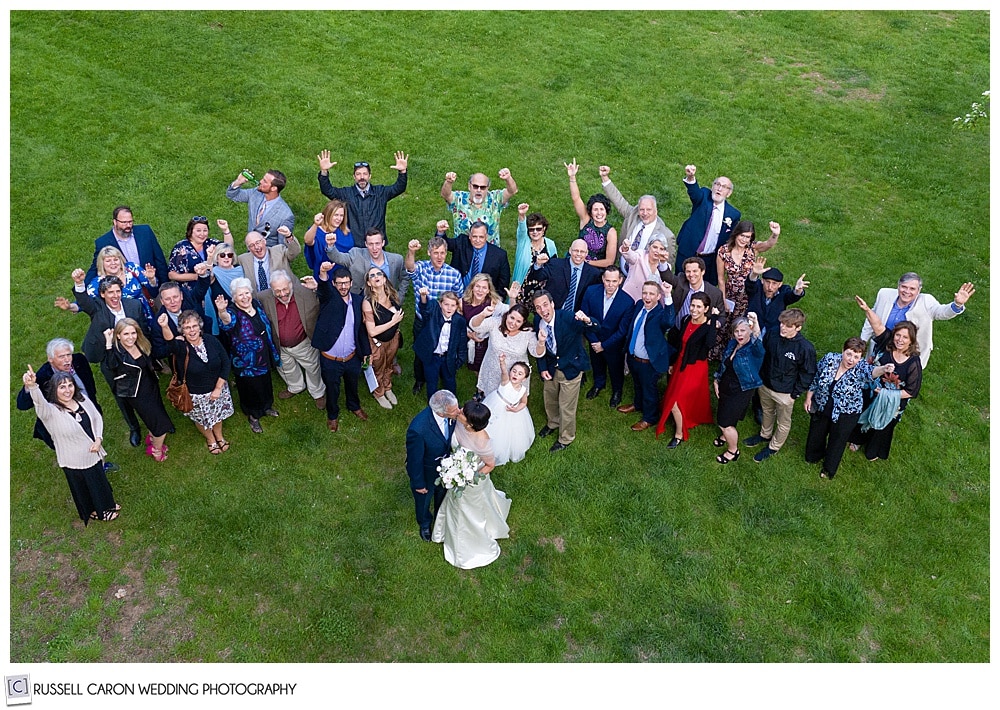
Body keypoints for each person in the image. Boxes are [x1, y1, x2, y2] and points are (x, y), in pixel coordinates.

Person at [21, 366, 119, 524]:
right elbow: (39, 403)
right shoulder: (50, 412)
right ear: (54, 390)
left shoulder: (82, 400)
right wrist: (33, 386)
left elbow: (96, 418)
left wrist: (99, 439)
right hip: (74, 460)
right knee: (87, 488)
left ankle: (107, 505)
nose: (67, 390)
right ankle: (99, 512)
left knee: (100, 482)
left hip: (93, 453)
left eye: (70, 385)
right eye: (62, 387)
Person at [71, 269, 149, 447]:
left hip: (133, 352)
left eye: (118, 291)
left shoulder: (133, 305)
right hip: (109, 355)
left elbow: (143, 329)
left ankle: (155, 420)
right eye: (110, 292)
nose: (115, 296)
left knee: (145, 386)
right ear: (102, 294)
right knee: (121, 393)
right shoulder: (97, 307)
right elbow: (83, 300)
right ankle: (134, 427)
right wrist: (79, 283)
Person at [15, 338, 115, 475]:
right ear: (50, 359)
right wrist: (29, 386)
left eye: (68, 355)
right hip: (64, 424)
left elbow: (89, 384)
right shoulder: (43, 376)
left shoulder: (79, 360)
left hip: (87, 411)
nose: (67, 360)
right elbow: (22, 405)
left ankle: (101, 464)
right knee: (80, 452)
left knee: (94, 439)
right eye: (61, 356)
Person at [431, 400, 511, 569]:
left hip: (472, 481)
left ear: (470, 425)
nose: (459, 411)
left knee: (467, 511)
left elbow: (490, 465)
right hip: (457, 470)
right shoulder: (461, 422)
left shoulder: (483, 443)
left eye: (462, 413)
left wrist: (467, 478)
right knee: (454, 504)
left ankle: (468, 547)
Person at [803, 337, 894, 480]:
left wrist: (883, 369)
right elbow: (816, 377)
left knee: (837, 441)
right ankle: (813, 455)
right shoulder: (830, 359)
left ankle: (828, 469)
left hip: (846, 413)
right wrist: (809, 397)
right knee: (816, 433)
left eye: (856, 356)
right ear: (842, 351)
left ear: (861, 358)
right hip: (822, 404)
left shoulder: (861, 368)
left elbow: (871, 372)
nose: (851, 359)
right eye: (849, 354)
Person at [850, 298, 923, 461]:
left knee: (883, 426)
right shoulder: (887, 344)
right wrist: (867, 309)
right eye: (898, 335)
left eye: (905, 337)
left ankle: (873, 450)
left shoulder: (913, 363)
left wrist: (884, 393)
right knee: (863, 416)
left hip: (892, 403)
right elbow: (878, 326)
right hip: (870, 393)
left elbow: (912, 391)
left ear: (911, 340)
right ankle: (857, 439)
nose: (900, 340)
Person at [744, 308, 817, 463]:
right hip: (765, 384)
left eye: (788, 325)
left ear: (798, 328)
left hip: (785, 393)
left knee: (783, 422)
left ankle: (774, 446)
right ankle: (765, 435)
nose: (783, 327)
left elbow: (808, 373)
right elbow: (761, 350)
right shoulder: (772, 334)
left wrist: (794, 394)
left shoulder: (805, 348)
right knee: (767, 412)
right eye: (782, 323)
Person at [859, 273, 975, 369]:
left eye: (912, 289)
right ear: (898, 286)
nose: (907, 291)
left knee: (895, 383)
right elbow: (871, 318)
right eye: (904, 287)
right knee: (871, 377)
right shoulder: (884, 294)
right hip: (881, 346)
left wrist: (957, 304)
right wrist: (862, 342)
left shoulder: (926, 301)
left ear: (919, 290)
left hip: (906, 353)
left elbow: (941, 312)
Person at [157, 310, 234, 454]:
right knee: (202, 420)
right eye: (187, 327)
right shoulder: (181, 348)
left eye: (194, 326)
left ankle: (219, 436)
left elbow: (226, 363)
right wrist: (164, 326)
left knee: (218, 415)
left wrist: (218, 388)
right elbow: (170, 342)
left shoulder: (211, 340)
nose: (192, 330)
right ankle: (210, 439)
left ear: (200, 326)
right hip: (196, 395)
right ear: (182, 331)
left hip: (219, 390)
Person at [532, 289, 597, 452]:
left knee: (566, 405)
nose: (543, 310)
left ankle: (566, 438)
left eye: (545, 305)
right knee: (550, 398)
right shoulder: (537, 321)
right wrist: (542, 368)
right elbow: (539, 347)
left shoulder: (568, 318)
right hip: (550, 368)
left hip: (571, 367)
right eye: (538, 307)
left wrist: (588, 320)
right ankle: (553, 423)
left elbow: (593, 328)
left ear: (552, 304)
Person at [655, 293, 724, 447]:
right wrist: (673, 363)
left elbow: (710, 343)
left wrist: (713, 319)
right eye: (693, 305)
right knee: (674, 394)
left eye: (699, 306)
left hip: (695, 368)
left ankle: (679, 434)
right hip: (680, 362)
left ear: (706, 308)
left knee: (675, 402)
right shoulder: (686, 319)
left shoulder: (708, 326)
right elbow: (680, 345)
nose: (694, 309)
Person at [102, 319, 175, 462]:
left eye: (133, 333)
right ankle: (157, 450)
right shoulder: (116, 353)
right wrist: (108, 343)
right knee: (160, 425)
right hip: (136, 393)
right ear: (118, 335)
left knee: (153, 417)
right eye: (126, 334)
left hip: (150, 386)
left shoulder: (141, 344)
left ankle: (152, 437)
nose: (130, 337)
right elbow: (110, 365)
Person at [216, 278, 281, 434]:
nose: (244, 297)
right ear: (234, 298)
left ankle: (266, 407)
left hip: (263, 355)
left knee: (265, 383)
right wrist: (222, 311)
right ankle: (253, 416)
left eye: (247, 293)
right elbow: (227, 322)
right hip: (246, 362)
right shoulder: (232, 312)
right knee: (251, 388)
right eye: (240, 295)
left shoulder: (256, 305)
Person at [607, 281, 675, 431]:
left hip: (648, 361)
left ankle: (650, 418)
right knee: (637, 384)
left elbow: (669, 322)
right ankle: (637, 404)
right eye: (645, 293)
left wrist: (668, 295)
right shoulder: (639, 305)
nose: (647, 296)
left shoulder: (660, 314)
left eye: (651, 294)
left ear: (658, 296)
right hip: (633, 357)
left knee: (649, 389)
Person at [312, 264, 371, 432]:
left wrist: (366, 352)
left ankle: (354, 406)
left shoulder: (358, 301)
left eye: (346, 283)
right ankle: (332, 415)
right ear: (334, 284)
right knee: (332, 389)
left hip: (352, 357)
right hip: (331, 359)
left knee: (352, 384)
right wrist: (322, 272)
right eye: (339, 283)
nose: (343, 286)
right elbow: (322, 289)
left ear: (351, 283)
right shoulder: (329, 298)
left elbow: (360, 330)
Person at [257, 270, 327, 412]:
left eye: (285, 289)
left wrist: (318, 288)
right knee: (286, 368)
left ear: (291, 285)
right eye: (277, 291)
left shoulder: (307, 293)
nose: (282, 294)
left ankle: (318, 392)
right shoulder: (262, 297)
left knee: (313, 368)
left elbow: (328, 299)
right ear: (271, 290)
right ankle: (296, 387)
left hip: (303, 343)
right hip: (280, 346)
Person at [404, 236, 464, 394]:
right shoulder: (421, 268)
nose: (439, 257)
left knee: (445, 349)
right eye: (436, 253)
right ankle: (420, 379)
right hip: (423, 321)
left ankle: (445, 374)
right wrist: (411, 251)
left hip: (445, 321)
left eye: (443, 253)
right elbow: (410, 267)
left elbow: (459, 299)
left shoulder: (453, 274)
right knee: (421, 352)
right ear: (429, 252)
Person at [317, 151, 408, 245]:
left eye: (365, 174)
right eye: (358, 174)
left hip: (376, 245)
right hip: (354, 246)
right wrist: (324, 172)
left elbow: (399, 188)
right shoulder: (346, 194)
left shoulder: (380, 192)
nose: (362, 177)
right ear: (354, 177)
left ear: (370, 176)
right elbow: (328, 190)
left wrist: (402, 172)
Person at [405, 389, 460, 542]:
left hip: (446, 468)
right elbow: (414, 460)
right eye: (454, 410)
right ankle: (424, 523)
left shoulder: (450, 411)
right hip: (427, 472)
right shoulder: (418, 430)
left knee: (442, 494)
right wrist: (418, 483)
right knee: (424, 500)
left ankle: (440, 517)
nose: (458, 411)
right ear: (441, 413)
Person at [599, 164, 675, 274]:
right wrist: (605, 178)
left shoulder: (666, 235)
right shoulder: (633, 214)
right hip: (621, 272)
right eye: (641, 209)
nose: (644, 213)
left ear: (656, 211)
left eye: (648, 210)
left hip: (641, 280)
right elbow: (619, 201)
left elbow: (668, 266)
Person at [674, 164, 741, 285]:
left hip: (709, 259)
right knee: (680, 285)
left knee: (703, 291)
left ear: (729, 193)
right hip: (689, 251)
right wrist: (690, 178)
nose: (719, 189)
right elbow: (694, 193)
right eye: (717, 184)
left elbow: (731, 238)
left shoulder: (733, 214)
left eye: (724, 187)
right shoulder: (704, 196)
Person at [712, 314, 764, 463]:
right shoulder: (732, 344)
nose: (739, 334)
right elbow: (724, 363)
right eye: (736, 331)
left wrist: (755, 324)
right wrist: (717, 380)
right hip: (726, 384)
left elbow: (758, 342)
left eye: (743, 330)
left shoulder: (754, 349)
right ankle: (725, 435)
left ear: (750, 331)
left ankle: (733, 450)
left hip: (741, 389)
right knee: (727, 413)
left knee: (724, 422)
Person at [580, 265, 633, 407]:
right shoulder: (591, 292)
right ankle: (599, 384)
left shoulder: (627, 302)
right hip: (594, 339)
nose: (610, 285)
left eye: (614, 281)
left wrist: (604, 345)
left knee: (616, 369)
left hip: (613, 344)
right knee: (597, 364)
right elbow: (584, 317)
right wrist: (594, 341)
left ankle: (617, 391)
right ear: (603, 279)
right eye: (607, 280)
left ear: (620, 280)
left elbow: (623, 330)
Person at [468, 295, 537, 399]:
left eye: (518, 321)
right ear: (507, 314)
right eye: (512, 318)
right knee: (490, 402)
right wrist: (483, 314)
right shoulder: (496, 322)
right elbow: (475, 326)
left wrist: (541, 341)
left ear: (523, 322)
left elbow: (536, 352)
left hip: (515, 376)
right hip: (492, 371)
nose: (513, 323)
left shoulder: (527, 332)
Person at [87, 205, 168, 286]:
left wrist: (165, 285)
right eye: (124, 222)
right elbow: (96, 267)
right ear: (115, 222)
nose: (128, 225)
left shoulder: (145, 232)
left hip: (151, 285)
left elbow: (159, 259)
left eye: (130, 221)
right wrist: (81, 288)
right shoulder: (103, 242)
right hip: (124, 290)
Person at [86, 245, 159, 331]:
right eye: (108, 261)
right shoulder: (98, 282)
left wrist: (151, 279)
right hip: (122, 321)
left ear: (120, 260)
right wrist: (71, 306)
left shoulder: (131, 268)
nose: (113, 263)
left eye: (116, 259)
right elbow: (86, 301)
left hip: (144, 313)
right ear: (102, 264)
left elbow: (152, 287)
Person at [361, 266, 404, 409]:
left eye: (379, 273)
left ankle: (387, 386)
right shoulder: (368, 303)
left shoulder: (392, 296)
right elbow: (372, 331)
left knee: (389, 363)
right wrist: (393, 321)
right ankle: (379, 392)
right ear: (369, 283)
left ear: (384, 279)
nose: (376, 276)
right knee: (378, 367)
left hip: (393, 338)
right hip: (377, 342)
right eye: (372, 275)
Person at [167, 217, 234, 309]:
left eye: (205, 230)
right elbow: (172, 275)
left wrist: (226, 230)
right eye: (198, 230)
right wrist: (197, 277)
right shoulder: (181, 248)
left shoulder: (210, 243)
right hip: (193, 293)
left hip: (214, 289)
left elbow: (228, 248)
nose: (202, 234)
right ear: (191, 231)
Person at [716, 220, 780, 317]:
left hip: (750, 293)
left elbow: (768, 244)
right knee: (726, 322)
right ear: (736, 234)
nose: (744, 240)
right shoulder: (723, 251)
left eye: (748, 237)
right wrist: (723, 300)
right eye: (742, 235)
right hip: (731, 294)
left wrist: (775, 235)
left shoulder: (752, 248)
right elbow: (721, 279)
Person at [414, 288, 468, 400]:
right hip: (432, 357)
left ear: (457, 306)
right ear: (440, 304)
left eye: (453, 305)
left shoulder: (460, 321)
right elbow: (424, 310)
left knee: (450, 381)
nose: (449, 308)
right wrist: (423, 297)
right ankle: (433, 405)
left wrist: (460, 360)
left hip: (448, 357)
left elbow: (462, 342)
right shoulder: (433, 315)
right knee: (431, 381)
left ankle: (451, 404)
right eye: (446, 304)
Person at [441, 169, 518, 246]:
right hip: (463, 251)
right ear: (469, 186)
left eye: (483, 187)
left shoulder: (495, 198)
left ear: (487, 188)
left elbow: (512, 191)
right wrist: (448, 182)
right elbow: (446, 195)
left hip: (490, 251)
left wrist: (508, 178)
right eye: (475, 186)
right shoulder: (459, 198)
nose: (478, 190)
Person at [483, 353, 535, 465]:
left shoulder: (523, 390)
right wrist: (502, 362)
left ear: (524, 378)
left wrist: (516, 409)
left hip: (510, 412)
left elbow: (524, 402)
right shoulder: (505, 382)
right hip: (496, 405)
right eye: (514, 371)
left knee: (506, 432)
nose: (515, 374)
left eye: (520, 373)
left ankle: (500, 449)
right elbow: (503, 372)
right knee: (490, 425)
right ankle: (483, 445)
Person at [566, 159, 618, 267]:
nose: (599, 213)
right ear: (591, 211)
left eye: (601, 209)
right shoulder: (586, 220)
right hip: (574, 260)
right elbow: (576, 198)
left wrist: (586, 262)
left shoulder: (610, 232)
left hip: (593, 268)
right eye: (595, 210)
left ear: (606, 211)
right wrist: (572, 177)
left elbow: (609, 261)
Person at [439, 219, 511, 295]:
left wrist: (495, 303)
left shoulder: (499, 255)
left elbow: (503, 283)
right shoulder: (461, 243)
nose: (477, 240)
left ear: (486, 236)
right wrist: (440, 232)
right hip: (458, 296)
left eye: (481, 237)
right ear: (469, 236)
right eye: (474, 236)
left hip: (484, 300)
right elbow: (443, 244)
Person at [225, 169, 295, 247]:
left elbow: (283, 246)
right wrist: (238, 182)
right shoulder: (256, 193)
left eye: (265, 181)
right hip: (250, 249)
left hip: (269, 254)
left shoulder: (286, 215)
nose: (260, 181)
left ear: (273, 188)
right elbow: (232, 195)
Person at [530, 238, 601, 314]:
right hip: (553, 313)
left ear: (587, 253)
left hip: (575, 316)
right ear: (570, 250)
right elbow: (538, 277)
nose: (579, 254)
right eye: (576, 250)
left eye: (582, 252)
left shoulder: (593, 273)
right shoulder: (555, 264)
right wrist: (538, 265)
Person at [745, 259, 808, 336]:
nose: (770, 287)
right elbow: (750, 284)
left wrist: (798, 290)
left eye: (774, 283)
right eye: (767, 282)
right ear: (762, 281)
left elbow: (792, 296)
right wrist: (754, 274)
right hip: (751, 330)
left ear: (780, 284)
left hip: (773, 333)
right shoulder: (757, 288)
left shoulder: (784, 291)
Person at [662, 256, 727, 331]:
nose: (691, 274)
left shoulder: (715, 293)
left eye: (695, 271)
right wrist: (663, 262)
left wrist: (716, 323)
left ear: (703, 271)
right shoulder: (681, 282)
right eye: (688, 271)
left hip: (699, 335)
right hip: (678, 330)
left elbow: (722, 317)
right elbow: (667, 277)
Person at [461, 273, 503, 379]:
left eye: (484, 288)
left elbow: (510, 313)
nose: (480, 290)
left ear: (489, 290)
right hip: (468, 337)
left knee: (485, 366)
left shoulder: (493, 303)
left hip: (486, 338)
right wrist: (469, 334)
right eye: (478, 286)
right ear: (472, 287)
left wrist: (512, 298)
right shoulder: (462, 302)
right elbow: (458, 323)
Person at [236, 226, 301, 295]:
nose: (256, 247)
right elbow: (227, 259)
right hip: (259, 299)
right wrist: (226, 232)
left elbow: (295, 251)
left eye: (258, 242)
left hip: (285, 294)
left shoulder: (279, 251)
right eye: (252, 245)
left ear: (264, 241)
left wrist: (289, 236)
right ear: (248, 249)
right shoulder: (243, 260)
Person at [511, 203, 558, 288]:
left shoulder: (550, 244)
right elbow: (522, 228)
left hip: (543, 289)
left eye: (538, 229)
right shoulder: (523, 241)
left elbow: (554, 267)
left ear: (544, 229)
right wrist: (522, 215)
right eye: (531, 229)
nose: (535, 232)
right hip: (523, 288)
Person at [204, 243, 245, 338]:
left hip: (243, 313)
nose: (226, 258)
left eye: (229, 255)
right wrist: (209, 258)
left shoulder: (241, 270)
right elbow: (207, 277)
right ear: (217, 258)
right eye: (222, 255)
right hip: (222, 317)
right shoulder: (215, 272)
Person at [618, 235, 673, 303]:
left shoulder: (665, 267)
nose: (657, 251)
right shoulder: (640, 255)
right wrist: (626, 249)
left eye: (661, 249)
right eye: (655, 247)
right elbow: (630, 256)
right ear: (649, 247)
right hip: (629, 297)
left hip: (648, 303)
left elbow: (663, 289)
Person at [303, 200, 353, 271]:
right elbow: (308, 241)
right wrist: (315, 224)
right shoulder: (317, 232)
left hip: (345, 274)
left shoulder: (345, 230)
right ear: (328, 214)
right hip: (325, 272)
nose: (339, 219)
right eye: (336, 215)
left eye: (341, 215)